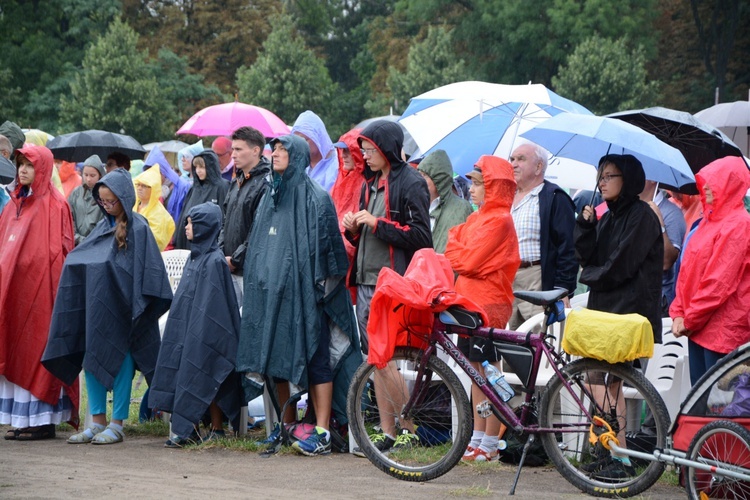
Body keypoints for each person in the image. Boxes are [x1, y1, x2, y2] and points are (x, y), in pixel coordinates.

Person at [236, 134, 359, 456]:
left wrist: (319, 291)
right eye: (273, 149)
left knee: (317, 361)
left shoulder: (316, 198)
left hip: (308, 298)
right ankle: (286, 426)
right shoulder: (270, 196)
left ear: (298, 156)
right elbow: (260, 246)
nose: (274, 154)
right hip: (272, 298)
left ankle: (321, 431)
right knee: (275, 362)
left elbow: (331, 251)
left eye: (282, 150)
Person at [43, 168, 172, 445]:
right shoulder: (102, 228)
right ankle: (97, 421)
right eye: (102, 202)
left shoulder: (139, 228)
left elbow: (148, 271)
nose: (107, 206)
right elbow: (84, 257)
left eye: (111, 201)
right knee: (92, 356)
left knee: (123, 358)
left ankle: (117, 423)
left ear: (124, 198)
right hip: (98, 309)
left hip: (127, 312)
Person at [342, 120, 432, 455]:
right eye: (363, 148)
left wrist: (377, 224)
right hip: (366, 280)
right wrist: (354, 227)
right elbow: (368, 233)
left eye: (369, 148)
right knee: (376, 358)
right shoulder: (370, 183)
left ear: (386, 147)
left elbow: (422, 236)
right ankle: (388, 430)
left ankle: (410, 428)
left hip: (393, 284)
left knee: (386, 358)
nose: (364, 153)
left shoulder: (411, 181)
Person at [575, 154, 663, 480]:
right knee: (595, 380)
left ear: (627, 179)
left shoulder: (643, 216)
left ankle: (621, 459)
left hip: (629, 312)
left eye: (609, 176)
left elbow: (622, 264)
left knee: (612, 385)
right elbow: (589, 256)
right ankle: (609, 450)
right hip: (606, 309)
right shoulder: (608, 217)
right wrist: (585, 227)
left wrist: (591, 276)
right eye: (600, 176)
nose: (602, 181)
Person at [444, 156, 520, 461]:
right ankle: (478, 436)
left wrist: (460, 252)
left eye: (478, 183)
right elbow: (453, 249)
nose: (472, 189)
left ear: (493, 187)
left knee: (488, 372)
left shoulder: (501, 220)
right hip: (468, 302)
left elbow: (467, 260)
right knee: (476, 374)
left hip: (487, 305)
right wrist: (461, 252)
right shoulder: (476, 219)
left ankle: (491, 440)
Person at [0, 144, 78, 441]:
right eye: (20, 164)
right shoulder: (13, 204)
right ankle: (22, 419)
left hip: (41, 296)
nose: (22, 169)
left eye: (29, 165)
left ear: (42, 168)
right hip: (13, 294)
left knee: (36, 351)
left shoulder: (55, 205)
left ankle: (42, 420)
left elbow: (59, 254)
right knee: (15, 351)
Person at [150, 202, 243, 446]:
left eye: (192, 222)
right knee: (180, 358)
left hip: (209, 335)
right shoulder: (194, 258)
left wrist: (199, 332)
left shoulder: (214, 262)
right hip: (188, 331)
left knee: (204, 362)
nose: (186, 227)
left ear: (205, 227)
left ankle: (216, 427)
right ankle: (189, 427)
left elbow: (215, 309)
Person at [670, 156, 750, 384]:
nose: (705, 187)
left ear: (730, 184)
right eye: (705, 182)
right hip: (698, 327)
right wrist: (678, 312)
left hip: (724, 332)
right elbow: (687, 272)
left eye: (714, 182)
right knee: (701, 406)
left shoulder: (739, 224)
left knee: (719, 407)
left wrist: (688, 318)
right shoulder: (708, 221)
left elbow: (718, 282)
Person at [508, 143, 577, 329]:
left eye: (521, 159)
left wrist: (562, 289)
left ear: (539, 166)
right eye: (512, 159)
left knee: (537, 338)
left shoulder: (555, 197)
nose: (513, 164)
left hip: (536, 277)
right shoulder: (507, 197)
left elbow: (568, 248)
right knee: (508, 343)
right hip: (507, 278)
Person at [218, 126, 272, 307]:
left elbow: (260, 229)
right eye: (233, 149)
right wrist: (220, 252)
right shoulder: (236, 182)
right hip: (228, 268)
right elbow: (225, 221)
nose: (233, 154)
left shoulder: (266, 183)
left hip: (250, 272)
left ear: (256, 150)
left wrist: (236, 259)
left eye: (238, 149)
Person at [638, 180, 686, 315]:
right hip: (629, 295)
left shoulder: (671, 213)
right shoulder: (632, 208)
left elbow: (666, 262)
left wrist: (659, 224)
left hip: (656, 300)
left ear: (653, 180)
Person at [417, 149, 473, 253]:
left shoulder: (461, 208)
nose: (420, 180)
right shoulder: (416, 205)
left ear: (438, 179)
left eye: (425, 175)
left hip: (444, 267)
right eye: (419, 175)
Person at [172, 150, 229, 250]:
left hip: (210, 246)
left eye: (202, 167)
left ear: (211, 167)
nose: (198, 170)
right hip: (189, 243)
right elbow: (183, 217)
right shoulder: (194, 188)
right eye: (196, 167)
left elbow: (224, 218)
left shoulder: (222, 186)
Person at [330, 128, 365, 267]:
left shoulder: (365, 183)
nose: (344, 155)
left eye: (348, 151)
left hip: (353, 260)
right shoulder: (340, 181)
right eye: (342, 151)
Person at [291, 110, 339, 192]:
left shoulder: (337, 166)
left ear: (318, 137)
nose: (301, 145)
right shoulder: (298, 166)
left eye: (305, 140)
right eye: (297, 141)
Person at [133, 164, 175, 251]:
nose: (139, 188)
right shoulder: (133, 206)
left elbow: (155, 241)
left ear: (153, 188)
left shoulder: (159, 213)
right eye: (138, 185)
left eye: (144, 186)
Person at [146, 146, 192, 226]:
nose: (152, 176)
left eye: (155, 172)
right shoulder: (148, 186)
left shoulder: (183, 186)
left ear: (163, 171)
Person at [68, 154, 106, 246]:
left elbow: (105, 222)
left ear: (100, 175)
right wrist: (76, 237)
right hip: (75, 243)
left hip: (95, 244)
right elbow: (68, 216)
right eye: (86, 175)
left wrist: (90, 240)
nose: (88, 179)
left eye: (92, 175)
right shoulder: (76, 193)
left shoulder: (105, 195)